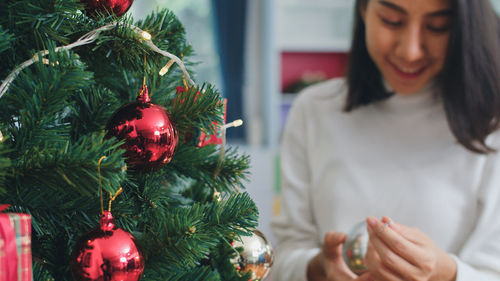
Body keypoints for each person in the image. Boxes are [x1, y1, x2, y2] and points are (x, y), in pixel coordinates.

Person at [271, 0, 500, 281]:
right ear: (364, 11)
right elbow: (282, 257)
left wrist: (446, 273)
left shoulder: (493, 124)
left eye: (437, 27)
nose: (410, 51)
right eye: (392, 21)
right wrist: (320, 267)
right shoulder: (314, 110)